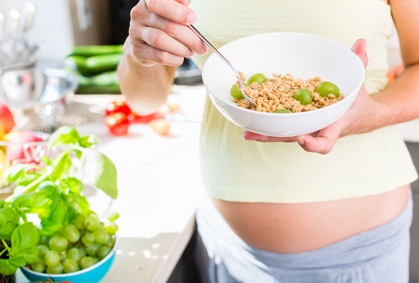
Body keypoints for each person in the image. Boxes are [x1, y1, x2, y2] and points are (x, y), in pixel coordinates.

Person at [117, 0, 419, 282]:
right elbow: (144, 102)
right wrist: (138, 49)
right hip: (226, 249)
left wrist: (370, 114)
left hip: (360, 258)